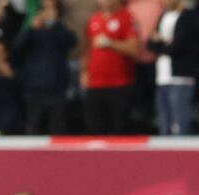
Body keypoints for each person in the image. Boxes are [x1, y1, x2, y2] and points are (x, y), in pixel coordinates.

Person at [13, 0, 76, 135]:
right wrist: (31, 28)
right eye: (44, 9)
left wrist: (55, 24)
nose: (47, 13)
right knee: (32, 127)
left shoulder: (59, 29)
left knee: (58, 127)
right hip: (34, 88)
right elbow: (17, 48)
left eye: (51, 9)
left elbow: (71, 42)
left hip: (57, 88)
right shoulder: (33, 30)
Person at [81, 0, 140, 135]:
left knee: (118, 131)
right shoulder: (93, 19)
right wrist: (84, 72)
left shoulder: (127, 18)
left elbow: (135, 49)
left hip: (119, 85)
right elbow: (86, 49)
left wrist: (109, 43)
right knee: (94, 130)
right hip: (95, 85)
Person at [147, 0, 199, 136]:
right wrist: (165, 43)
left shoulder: (189, 16)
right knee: (164, 121)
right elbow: (150, 43)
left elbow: (178, 46)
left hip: (181, 76)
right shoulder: (163, 15)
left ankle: (184, 155)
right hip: (162, 76)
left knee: (180, 120)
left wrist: (160, 42)